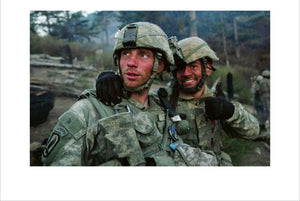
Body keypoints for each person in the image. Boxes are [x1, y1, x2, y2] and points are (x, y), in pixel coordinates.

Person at [41, 22, 217, 166]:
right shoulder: (88, 110)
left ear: (160, 65)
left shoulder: (163, 106)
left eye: (143, 55)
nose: (131, 63)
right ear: (118, 60)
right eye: (126, 54)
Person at [96, 36, 260, 166]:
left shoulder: (218, 102)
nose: (186, 73)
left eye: (193, 66)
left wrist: (231, 112)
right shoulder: (160, 99)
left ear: (208, 68)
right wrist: (110, 80)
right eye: (180, 68)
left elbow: (253, 132)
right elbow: (129, 105)